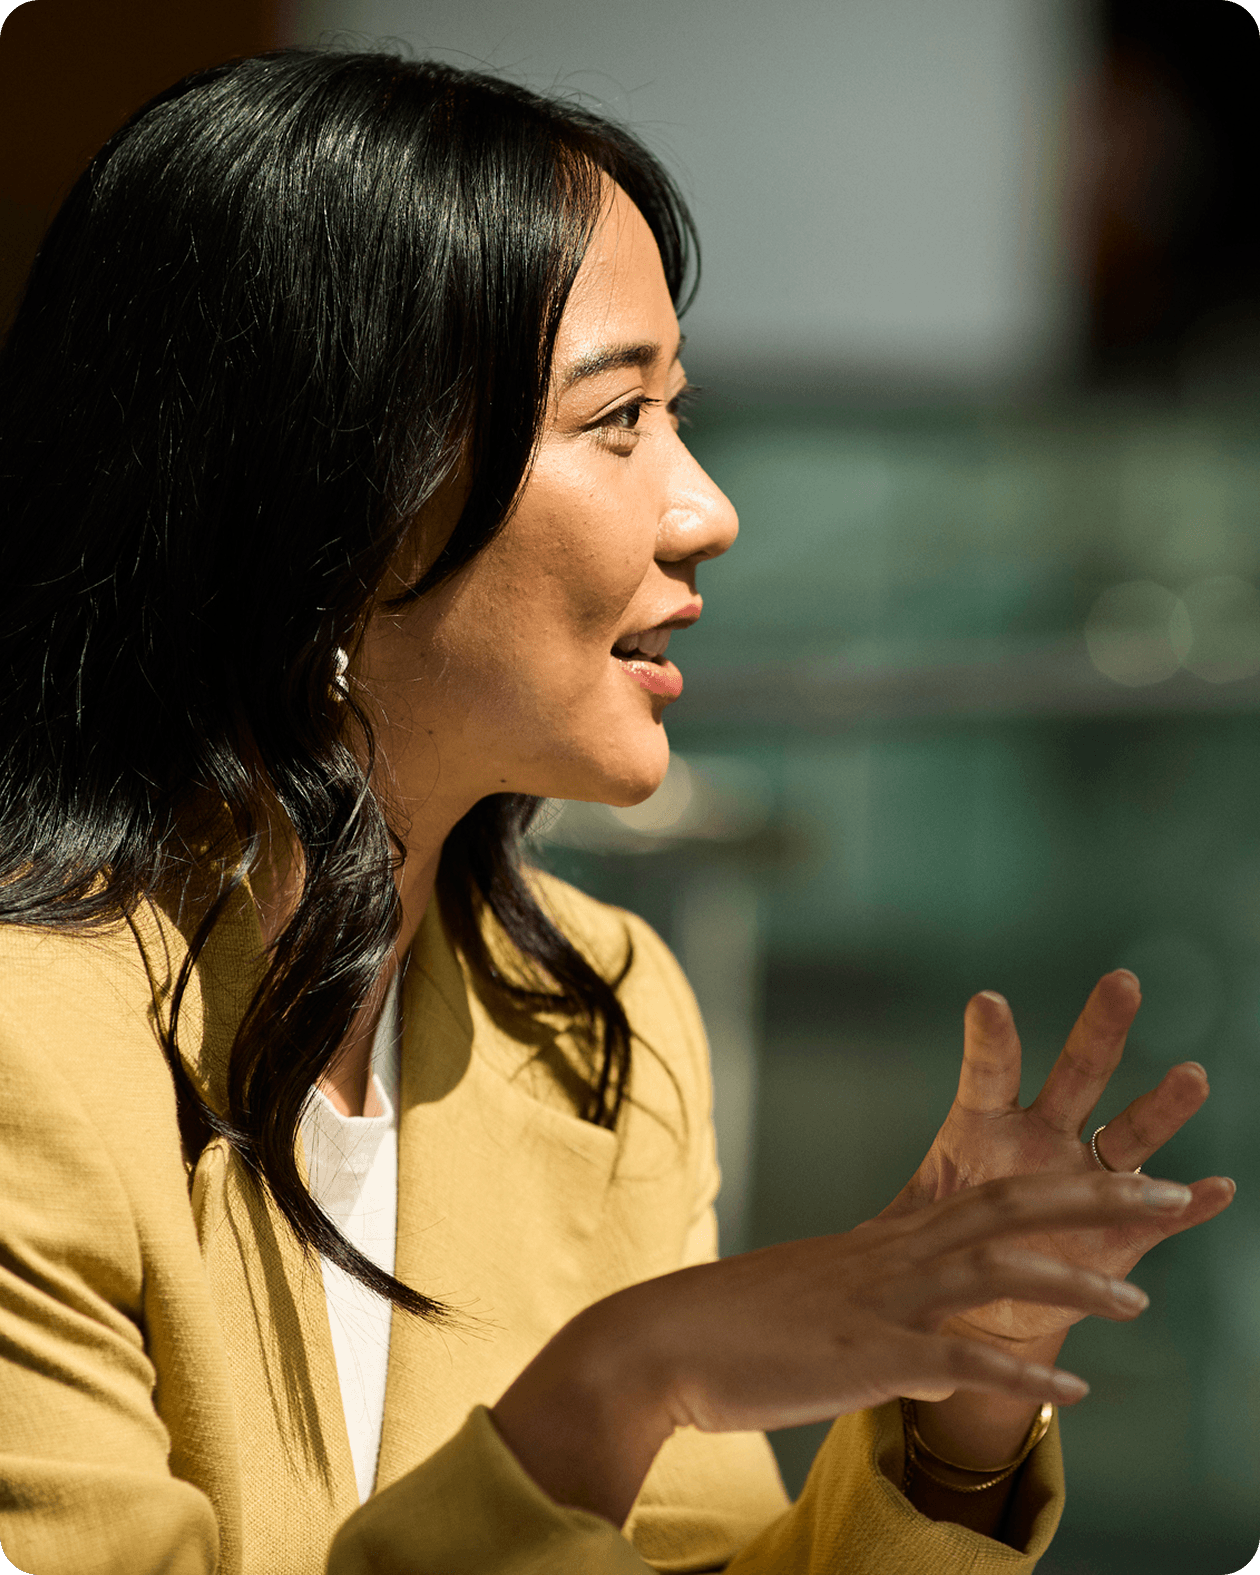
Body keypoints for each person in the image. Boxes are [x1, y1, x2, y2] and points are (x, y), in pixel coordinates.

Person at [0, 47, 1235, 1575]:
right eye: (618, 418)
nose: (707, 506)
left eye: (680, 410)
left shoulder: (603, 1027)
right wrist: (611, 1387)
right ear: (338, 490)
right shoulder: (29, 1059)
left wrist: (957, 1402)